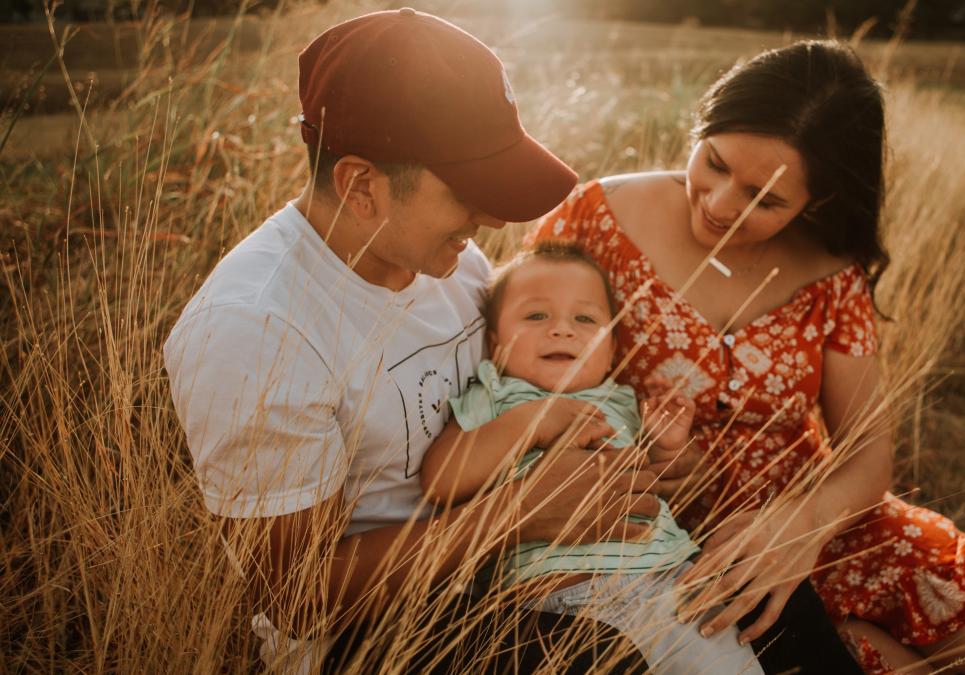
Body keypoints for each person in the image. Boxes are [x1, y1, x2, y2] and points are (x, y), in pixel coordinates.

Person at [528, 41, 965, 673]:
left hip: (801, 515)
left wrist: (800, 527)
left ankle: (838, 641)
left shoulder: (833, 272)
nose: (722, 204)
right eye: (715, 162)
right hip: (643, 521)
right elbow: (515, 358)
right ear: (700, 128)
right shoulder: (597, 217)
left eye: (766, 198)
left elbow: (867, 454)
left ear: (820, 201)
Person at [163, 9, 659, 673]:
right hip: (371, 635)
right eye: (468, 192)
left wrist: (629, 459)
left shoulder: (454, 264)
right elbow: (296, 595)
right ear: (361, 186)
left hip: (513, 561)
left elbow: (511, 402)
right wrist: (516, 514)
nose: (488, 218)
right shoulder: (254, 332)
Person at [419, 242, 760, 674]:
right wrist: (532, 421)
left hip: (673, 586)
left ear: (613, 348)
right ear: (495, 343)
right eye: (536, 315)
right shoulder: (497, 398)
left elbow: (666, 488)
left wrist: (668, 445)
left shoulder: (619, 401)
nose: (562, 329)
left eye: (585, 318)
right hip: (564, 605)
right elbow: (442, 479)